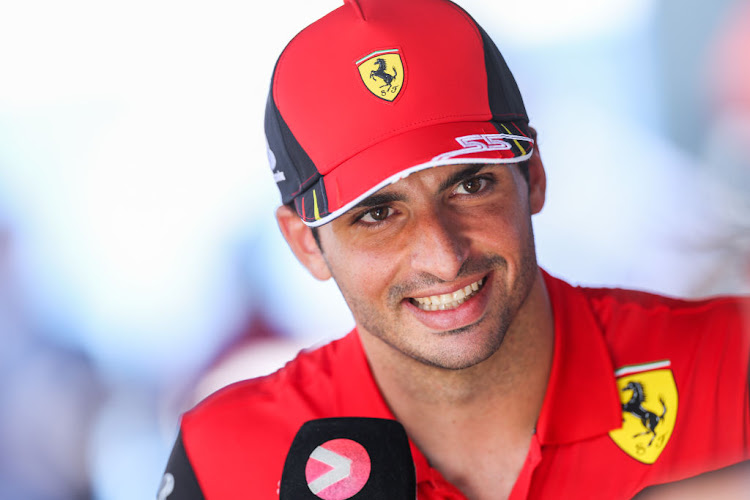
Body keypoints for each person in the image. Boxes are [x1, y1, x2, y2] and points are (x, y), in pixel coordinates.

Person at [159, 0, 749, 498]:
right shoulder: (225, 461)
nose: (443, 256)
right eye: (377, 214)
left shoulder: (730, 366)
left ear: (534, 176)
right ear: (305, 246)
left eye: (470, 185)